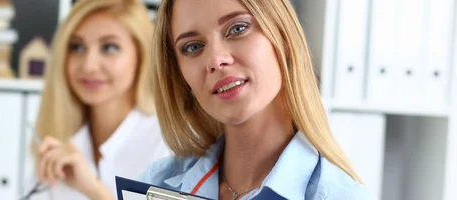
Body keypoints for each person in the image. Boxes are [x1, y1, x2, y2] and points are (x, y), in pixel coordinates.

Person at [139, 0, 369, 199]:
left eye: (238, 28)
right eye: (193, 47)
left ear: (283, 37)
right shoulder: (155, 184)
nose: (216, 60)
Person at [28, 0, 170, 199]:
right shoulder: (58, 139)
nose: (89, 65)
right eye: (77, 47)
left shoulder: (168, 143)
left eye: (109, 48)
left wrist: (94, 190)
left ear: (141, 54)